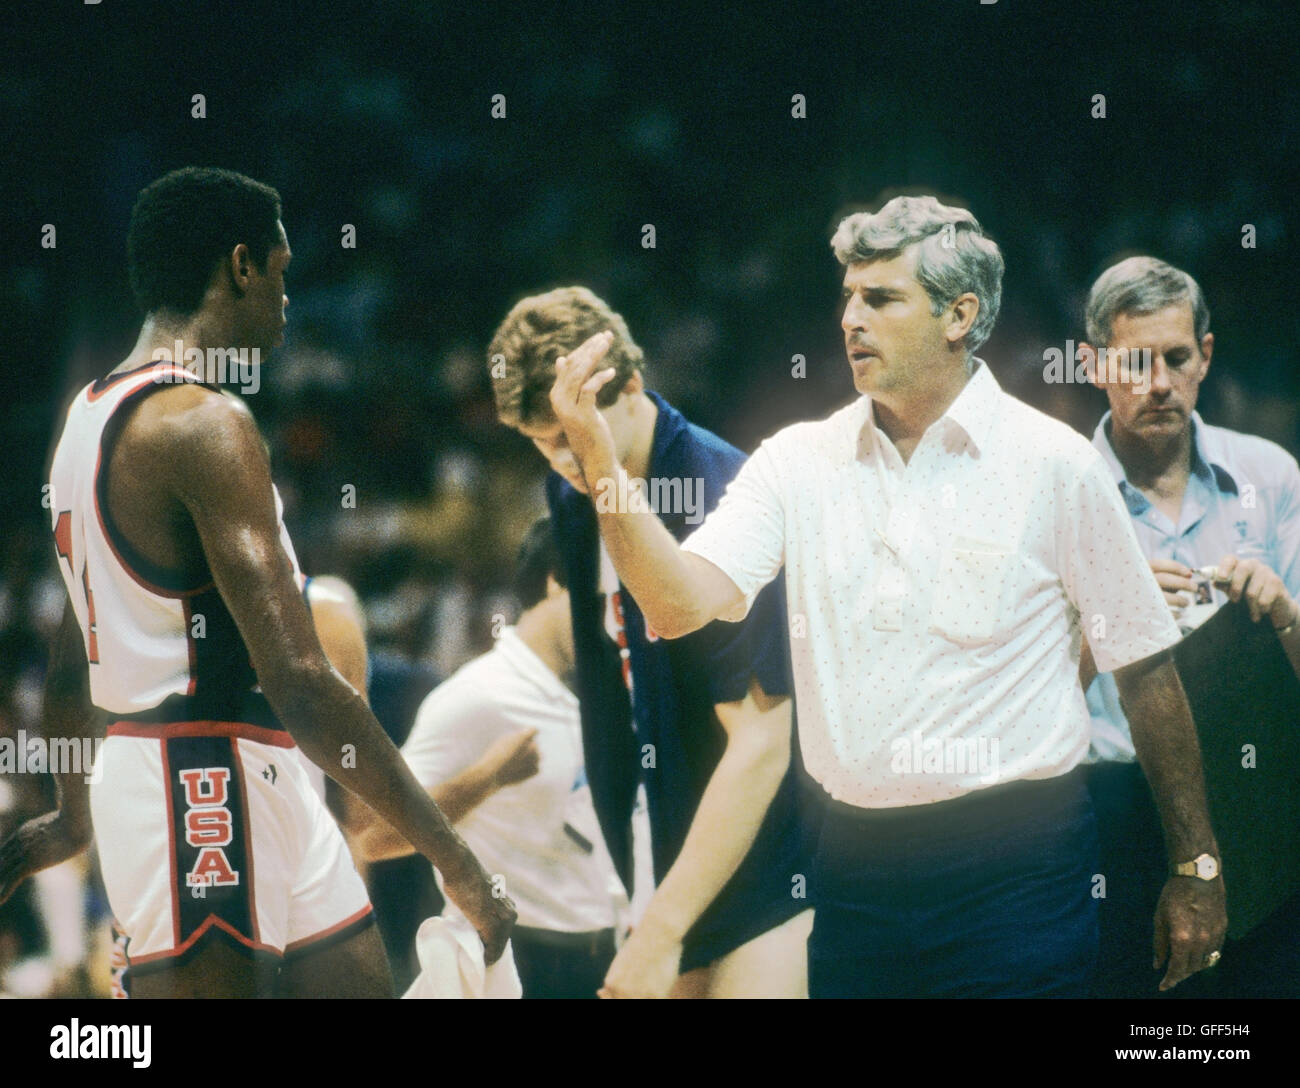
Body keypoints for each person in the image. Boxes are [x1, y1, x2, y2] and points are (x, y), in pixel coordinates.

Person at [546, 195, 1228, 998]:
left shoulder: (1053, 464)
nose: (850, 318)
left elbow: (1145, 673)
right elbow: (674, 606)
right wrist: (603, 472)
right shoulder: (796, 461)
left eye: (880, 298)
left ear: (959, 314)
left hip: (1019, 871)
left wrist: (1197, 866)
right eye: (847, 296)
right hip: (852, 874)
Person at [0, 166, 512, 998]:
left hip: (257, 769)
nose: (286, 300)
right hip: (192, 775)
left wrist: (73, 811)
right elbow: (302, 678)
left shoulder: (84, 418)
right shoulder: (203, 421)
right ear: (241, 265)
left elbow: (71, 647)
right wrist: (454, 857)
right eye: (281, 272)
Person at [489, 287, 812, 999]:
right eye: (545, 443)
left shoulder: (715, 488)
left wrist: (663, 931)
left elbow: (761, 746)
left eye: (578, 435)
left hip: (764, 861)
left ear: (631, 385)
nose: (566, 461)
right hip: (659, 848)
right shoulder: (572, 497)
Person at [1079, 256, 1300, 998]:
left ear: (1206, 355)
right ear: (1093, 365)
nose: (1159, 383)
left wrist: (1283, 614)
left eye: (1176, 358)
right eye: (1135, 363)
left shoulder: (1270, 477)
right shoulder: (1059, 490)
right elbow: (1008, 694)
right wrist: (1113, 613)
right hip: (1111, 809)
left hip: (1263, 794)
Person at [347, 518, 630, 998]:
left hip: (601, 955)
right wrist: (488, 777)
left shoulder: (601, 691)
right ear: (556, 581)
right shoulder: (478, 694)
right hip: (518, 959)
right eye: (600, 601)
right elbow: (375, 833)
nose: (609, 619)